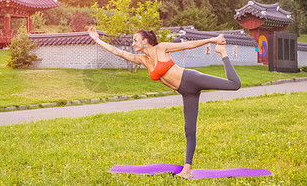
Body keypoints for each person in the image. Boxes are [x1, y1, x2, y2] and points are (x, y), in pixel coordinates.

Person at [87, 27, 241, 179]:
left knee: (234, 84)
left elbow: (187, 45)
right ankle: (187, 171)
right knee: (189, 130)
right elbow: (118, 52)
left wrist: (213, 40)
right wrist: (97, 40)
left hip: (191, 78)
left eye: (135, 40)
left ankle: (223, 53)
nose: (133, 44)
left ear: (145, 41)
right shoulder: (143, 60)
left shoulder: (161, 48)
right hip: (186, 92)